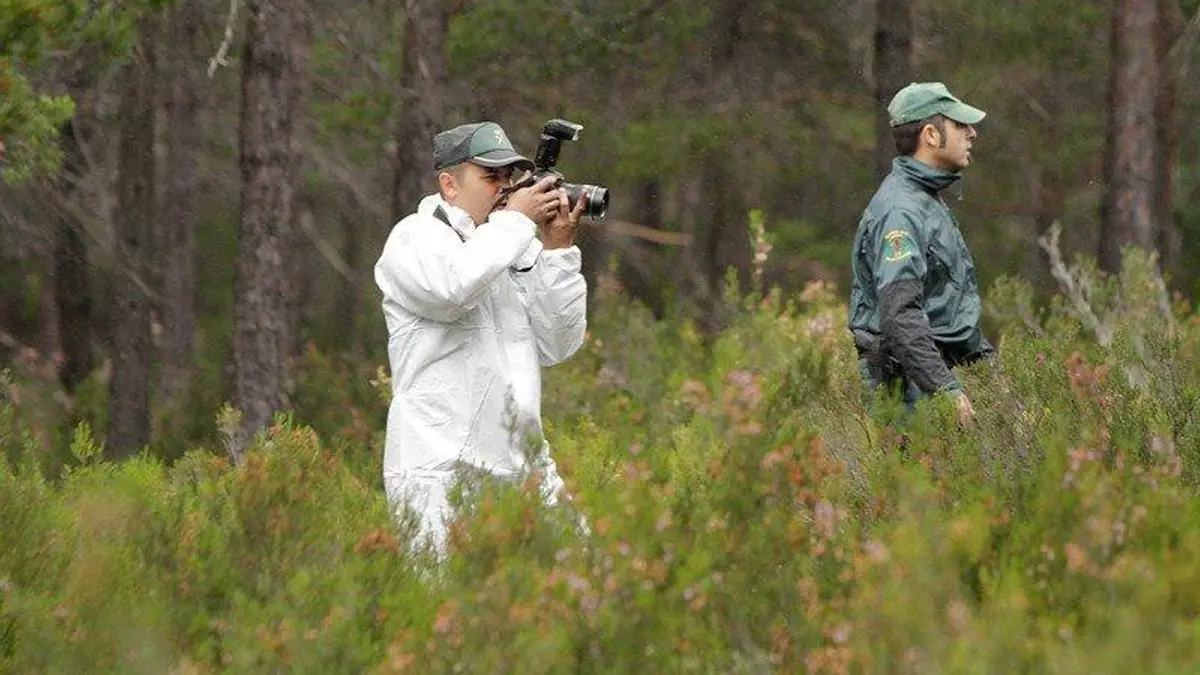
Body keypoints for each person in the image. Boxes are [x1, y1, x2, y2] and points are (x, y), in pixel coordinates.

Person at [374, 121, 587, 554]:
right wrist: (516, 222)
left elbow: (557, 345)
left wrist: (557, 252)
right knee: (445, 593)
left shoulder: (510, 244)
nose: (505, 188)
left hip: (524, 466)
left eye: (509, 176)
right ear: (449, 185)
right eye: (491, 176)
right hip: (439, 470)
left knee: (582, 572)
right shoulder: (414, 237)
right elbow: (453, 288)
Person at [849, 82, 995, 426]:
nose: (972, 133)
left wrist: (990, 370)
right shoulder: (901, 211)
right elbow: (900, 315)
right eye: (959, 125)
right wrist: (946, 390)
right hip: (905, 393)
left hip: (925, 381)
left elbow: (947, 310)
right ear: (930, 134)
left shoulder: (925, 200)